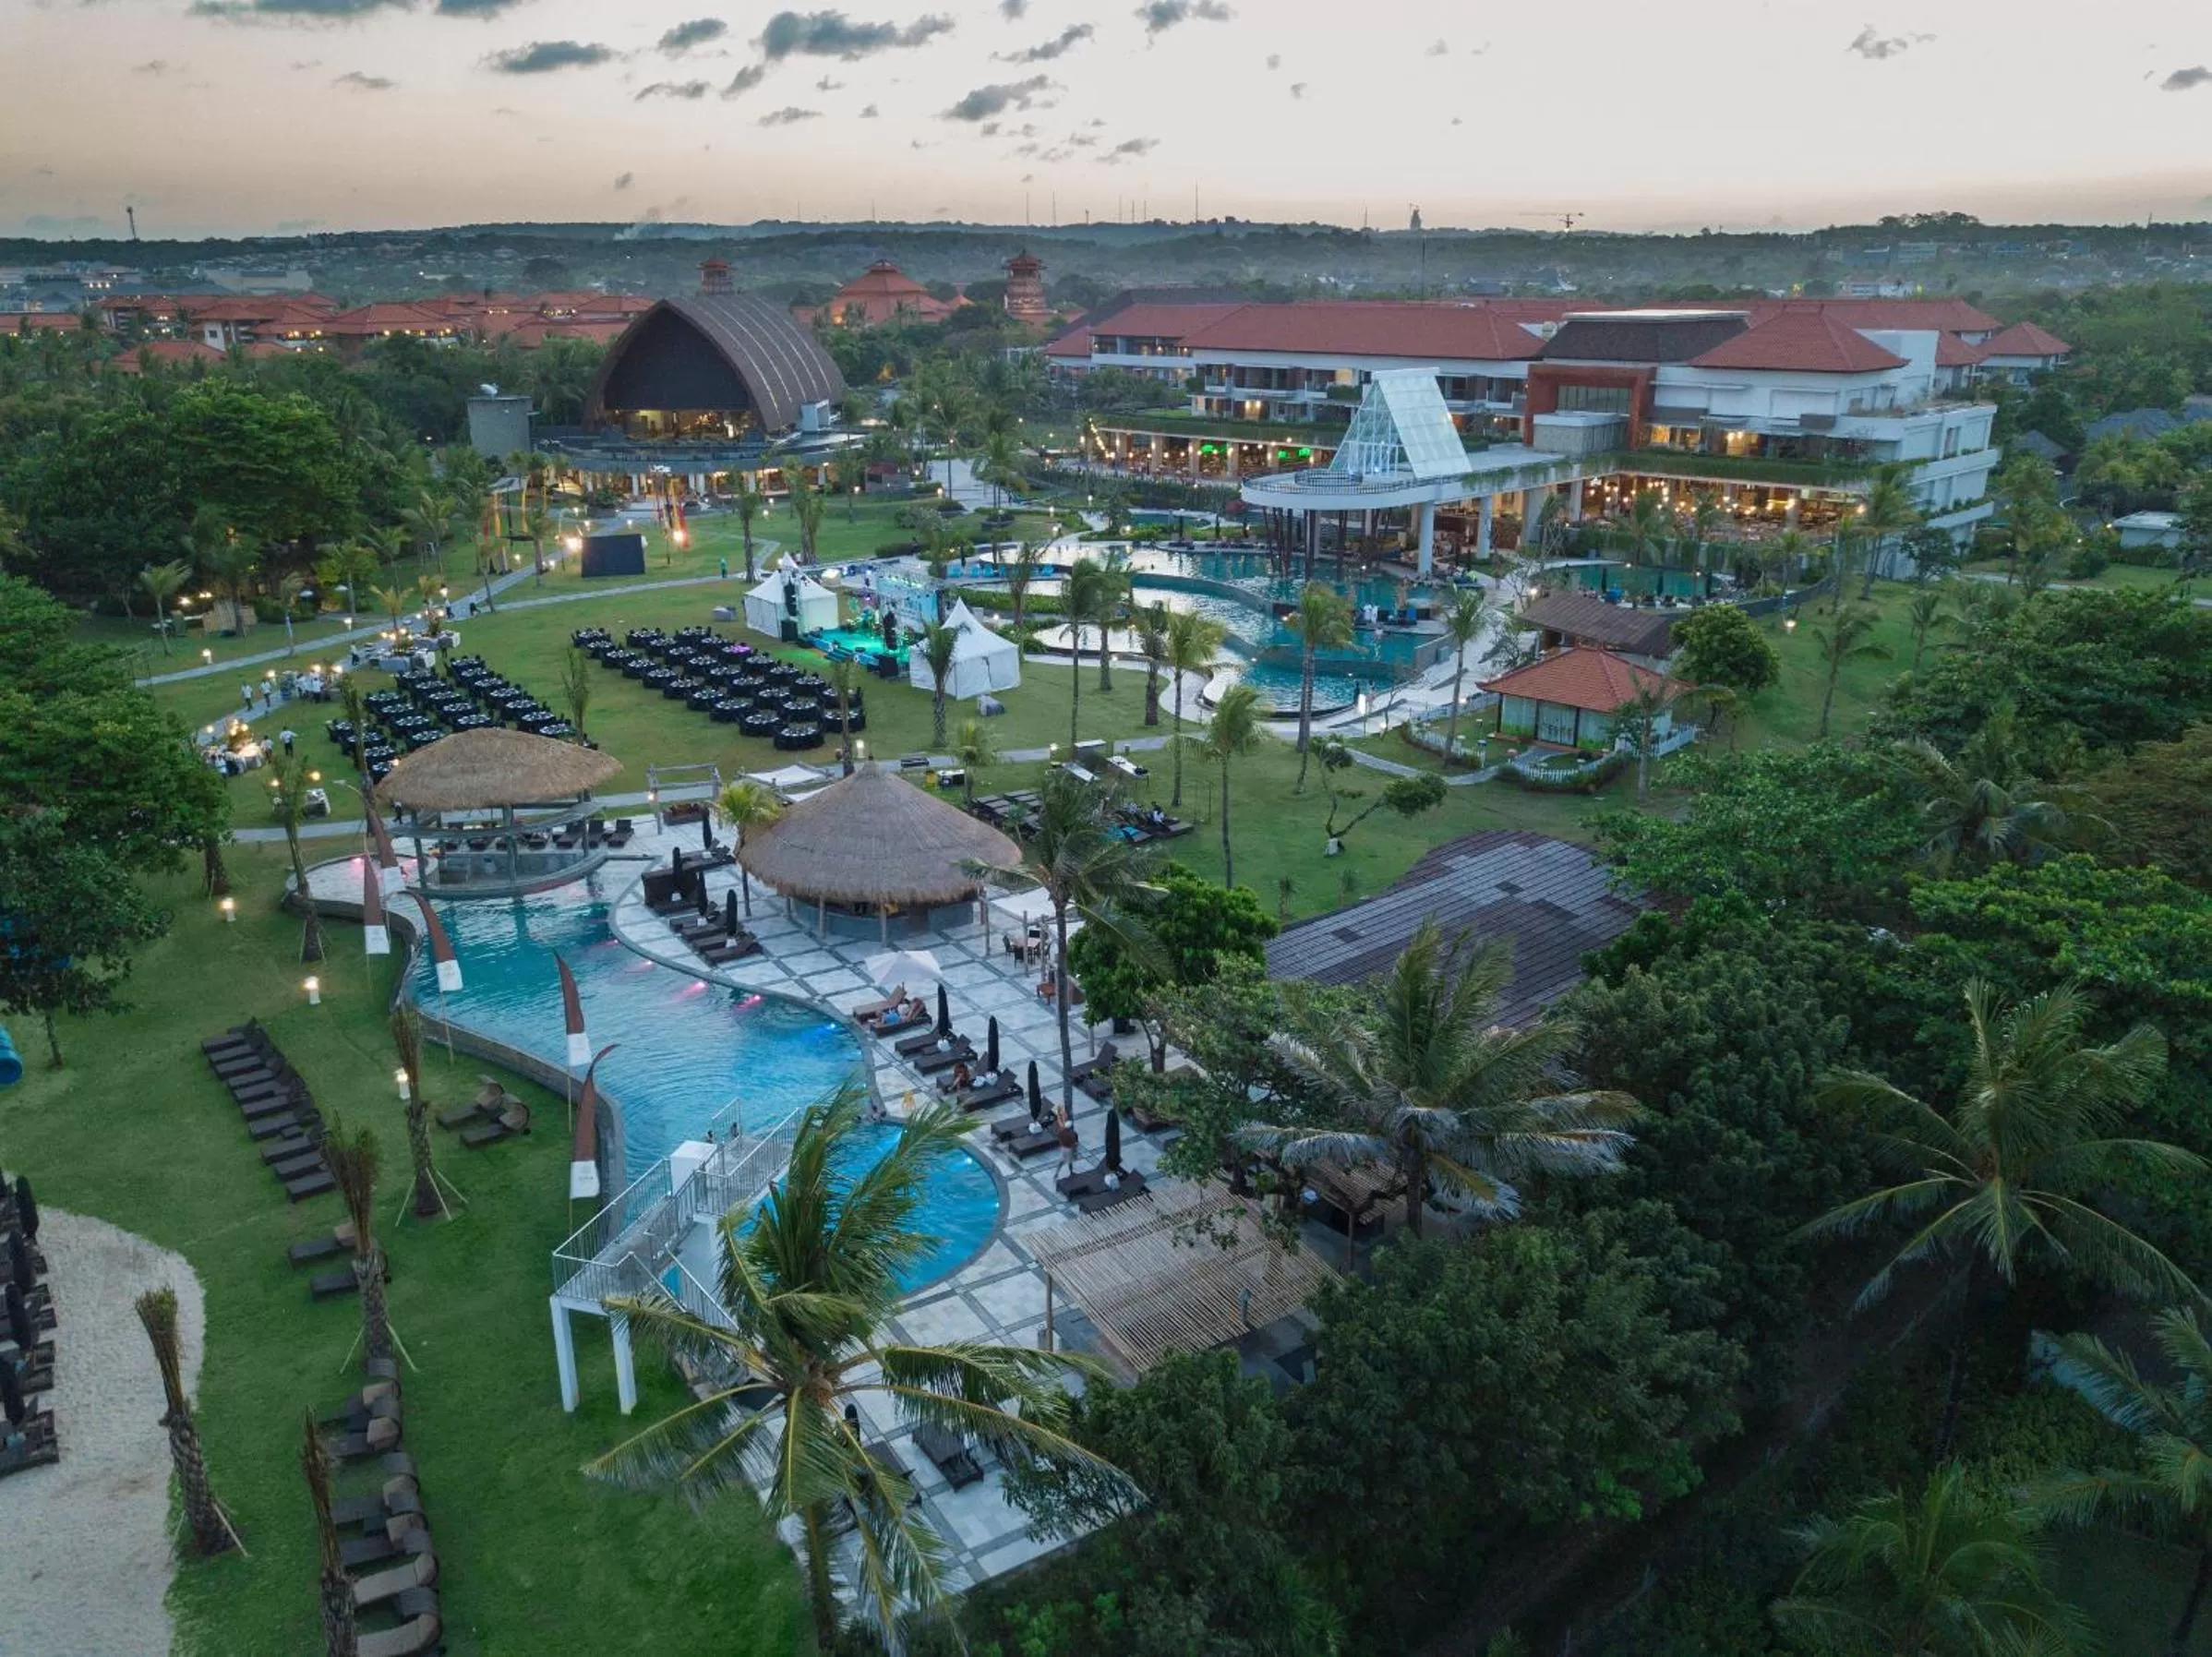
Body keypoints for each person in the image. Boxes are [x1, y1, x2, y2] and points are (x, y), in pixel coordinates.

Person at [1054, 1108, 1079, 1181]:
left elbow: (1059, 1138)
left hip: (1063, 1148)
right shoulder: (1072, 1134)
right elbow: (1075, 1143)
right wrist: (1075, 1148)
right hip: (1069, 1149)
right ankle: (1071, 1172)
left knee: (1061, 1161)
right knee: (1070, 1161)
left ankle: (1057, 1172)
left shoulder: (1061, 1132)